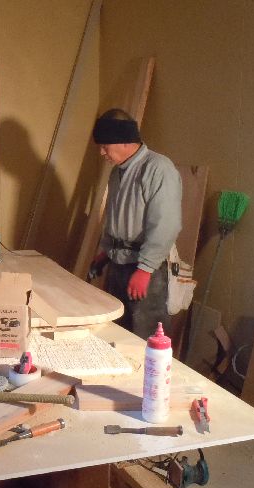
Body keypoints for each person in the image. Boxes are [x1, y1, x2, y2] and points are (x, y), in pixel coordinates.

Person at [87, 108, 182, 339]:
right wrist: (106, 251)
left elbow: (165, 224)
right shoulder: (117, 173)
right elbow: (115, 216)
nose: (101, 152)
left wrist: (145, 269)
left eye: (105, 146)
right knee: (116, 332)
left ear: (125, 141)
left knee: (145, 335)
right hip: (118, 264)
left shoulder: (158, 169)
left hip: (146, 268)